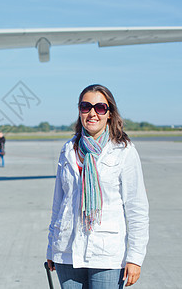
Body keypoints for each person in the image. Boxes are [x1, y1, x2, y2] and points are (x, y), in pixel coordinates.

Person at [46, 84, 149, 288]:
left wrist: (135, 257)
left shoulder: (123, 151)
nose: (92, 113)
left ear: (109, 113)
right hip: (67, 251)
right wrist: (51, 247)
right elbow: (58, 203)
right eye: (86, 106)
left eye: (100, 107)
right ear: (79, 111)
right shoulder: (68, 149)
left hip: (107, 254)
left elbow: (136, 207)